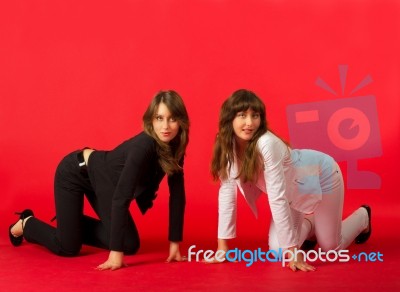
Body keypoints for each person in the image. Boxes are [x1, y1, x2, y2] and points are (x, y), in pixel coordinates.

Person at [9, 90, 190, 271]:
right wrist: (115, 254)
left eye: (172, 119)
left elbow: (177, 195)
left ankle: (69, 222)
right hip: (75, 172)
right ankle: (27, 223)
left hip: (104, 181)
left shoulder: (176, 145)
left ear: (181, 121)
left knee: (130, 244)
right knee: (67, 247)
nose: (165, 126)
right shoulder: (143, 146)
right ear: (151, 120)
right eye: (159, 118)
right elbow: (121, 198)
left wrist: (174, 243)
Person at [210, 89, 372, 272]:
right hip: (293, 191)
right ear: (229, 119)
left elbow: (277, 197)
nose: (249, 123)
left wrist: (294, 252)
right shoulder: (226, 143)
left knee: (331, 248)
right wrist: (222, 247)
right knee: (279, 252)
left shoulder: (266, 144)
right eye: (242, 115)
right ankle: (312, 224)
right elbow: (227, 193)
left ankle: (363, 216)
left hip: (322, 174)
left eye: (255, 115)